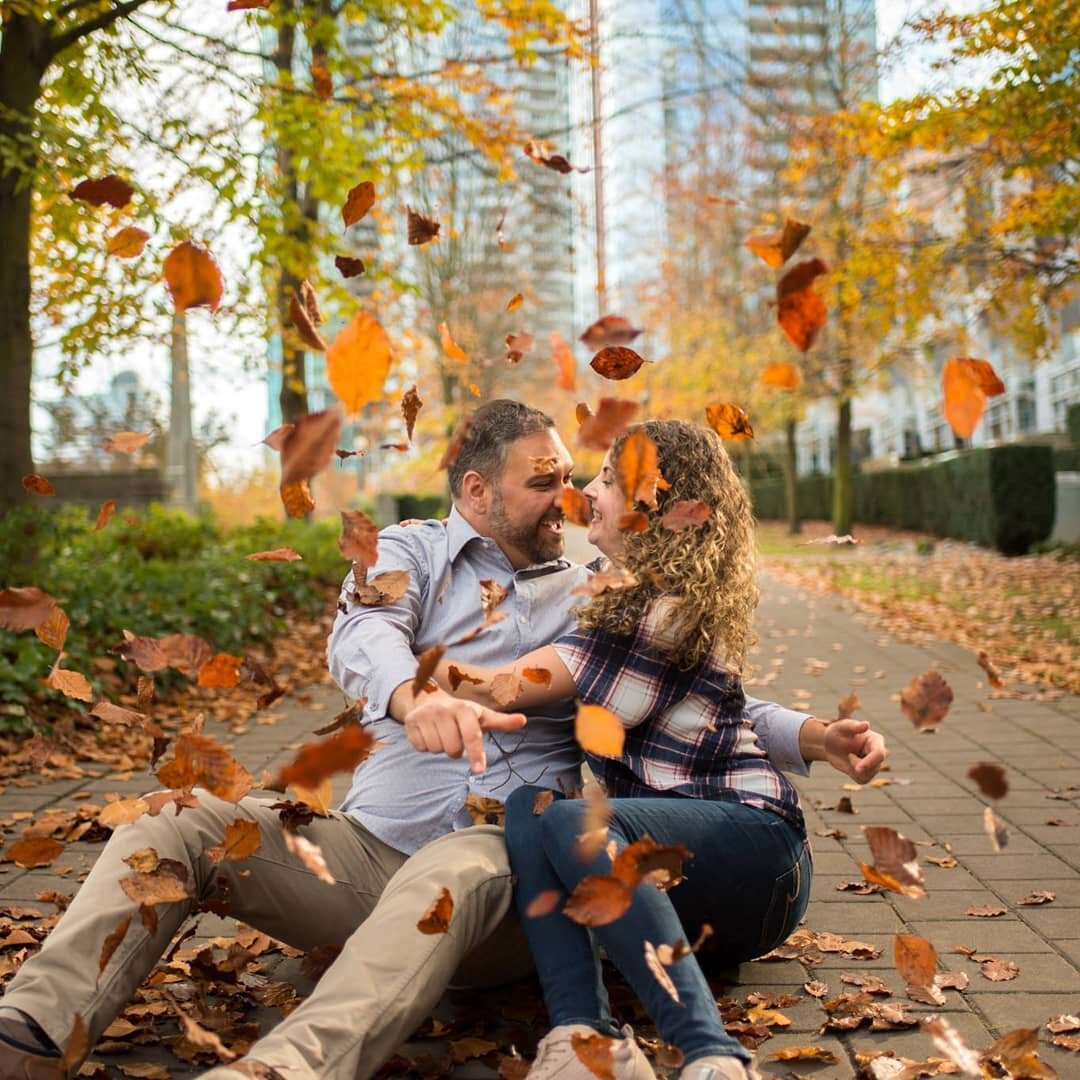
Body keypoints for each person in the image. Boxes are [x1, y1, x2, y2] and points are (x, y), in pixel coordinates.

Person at [0, 401, 884, 1080]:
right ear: (475, 490)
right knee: (174, 823)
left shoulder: (592, 587)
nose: (567, 498)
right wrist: (406, 690)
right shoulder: (407, 551)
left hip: (495, 860)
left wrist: (803, 732)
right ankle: (33, 1031)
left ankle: (289, 1066)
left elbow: (688, 689)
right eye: (544, 481)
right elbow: (361, 636)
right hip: (361, 849)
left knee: (460, 864)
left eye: (575, 479)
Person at [426, 419, 818, 1080]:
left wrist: (392, 649)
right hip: (682, 879)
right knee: (532, 805)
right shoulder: (623, 601)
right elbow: (728, 712)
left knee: (573, 819)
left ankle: (712, 1054)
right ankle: (584, 1036)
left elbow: (499, 689)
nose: (585, 492)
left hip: (757, 853)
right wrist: (813, 735)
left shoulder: (660, 613)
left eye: (606, 480)